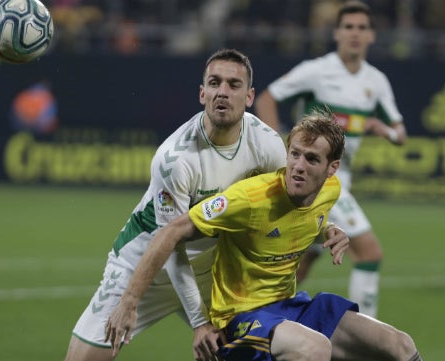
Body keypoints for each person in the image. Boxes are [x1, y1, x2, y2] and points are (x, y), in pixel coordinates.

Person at [105, 109, 422, 361]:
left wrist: (328, 230)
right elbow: (171, 231)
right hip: (241, 319)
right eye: (294, 154)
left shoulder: (331, 191)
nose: (298, 166)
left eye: (311, 159)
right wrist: (129, 301)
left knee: (400, 345)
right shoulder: (250, 198)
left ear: (331, 168)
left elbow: (304, 217)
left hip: (290, 307)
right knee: (315, 349)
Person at [63, 49, 288, 361]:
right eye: (214, 82)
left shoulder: (267, 145)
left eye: (233, 85)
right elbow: (170, 244)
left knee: (247, 353)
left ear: (249, 96)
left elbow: (285, 207)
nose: (223, 91)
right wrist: (191, 319)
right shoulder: (175, 159)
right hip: (144, 265)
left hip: (210, 270)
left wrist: (326, 228)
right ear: (202, 93)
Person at [254, 0, 407, 317]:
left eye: (362, 28)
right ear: (337, 33)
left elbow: (400, 132)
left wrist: (385, 131)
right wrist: (280, 149)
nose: (355, 33)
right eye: (348, 27)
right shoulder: (317, 71)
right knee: (369, 253)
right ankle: (367, 340)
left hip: (341, 180)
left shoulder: (376, 81)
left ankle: (257, 319)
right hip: (321, 181)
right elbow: (267, 99)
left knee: (300, 266)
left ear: (372, 36)